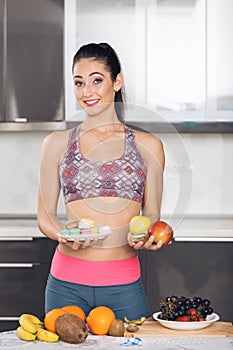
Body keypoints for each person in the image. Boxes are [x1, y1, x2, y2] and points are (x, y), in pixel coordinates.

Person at [37, 42, 167, 321]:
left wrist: (148, 237)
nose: (87, 92)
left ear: (117, 82)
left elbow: (152, 213)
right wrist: (63, 234)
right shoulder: (56, 144)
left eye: (97, 80)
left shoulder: (149, 145)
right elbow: (45, 217)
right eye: (79, 83)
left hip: (124, 286)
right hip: (65, 285)